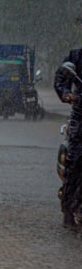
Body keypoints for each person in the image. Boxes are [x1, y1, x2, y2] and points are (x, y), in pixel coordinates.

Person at [53, 50, 82, 229]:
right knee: (76, 161)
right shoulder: (76, 56)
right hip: (81, 116)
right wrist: (66, 93)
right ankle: (68, 209)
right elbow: (61, 78)